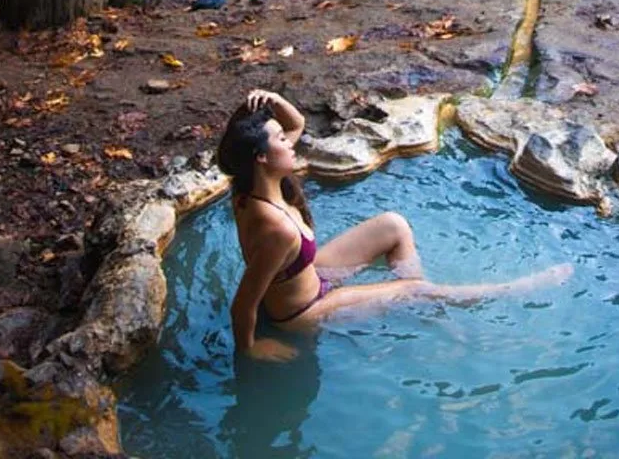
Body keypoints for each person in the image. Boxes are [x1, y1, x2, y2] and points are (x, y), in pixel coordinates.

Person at [218, 89, 573, 361]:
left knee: (393, 225)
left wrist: (272, 101)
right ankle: (510, 290)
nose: (291, 141)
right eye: (280, 139)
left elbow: (295, 125)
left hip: (313, 276)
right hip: (303, 312)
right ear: (261, 157)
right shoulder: (274, 228)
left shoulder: (252, 183)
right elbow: (244, 303)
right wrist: (250, 348)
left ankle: (423, 301)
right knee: (415, 291)